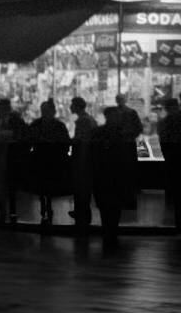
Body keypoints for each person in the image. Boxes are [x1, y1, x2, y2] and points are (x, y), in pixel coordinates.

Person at [94, 106, 138, 246]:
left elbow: (93, 155)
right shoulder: (123, 134)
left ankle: (108, 232)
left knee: (106, 206)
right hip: (116, 174)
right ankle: (112, 232)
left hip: (104, 174)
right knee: (114, 206)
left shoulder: (99, 132)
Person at [26, 100, 70, 227]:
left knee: (43, 186)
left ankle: (45, 208)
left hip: (42, 159)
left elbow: (29, 140)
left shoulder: (36, 124)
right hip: (51, 160)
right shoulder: (59, 126)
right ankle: (47, 207)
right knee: (47, 185)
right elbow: (65, 143)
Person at [0, 98, 28, 225]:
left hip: (10, 158)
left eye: (3, 109)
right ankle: (2, 212)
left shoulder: (16, 122)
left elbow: (22, 136)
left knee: (10, 186)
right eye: (0, 109)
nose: (1, 111)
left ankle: (11, 212)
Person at [69, 96, 98, 233]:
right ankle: (83, 214)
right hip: (88, 158)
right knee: (84, 189)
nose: (70, 107)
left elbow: (80, 140)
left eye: (72, 104)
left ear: (77, 106)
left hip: (82, 159)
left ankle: (82, 215)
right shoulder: (89, 119)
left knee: (81, 188)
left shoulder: (82, 121)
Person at [158, 96, 181, 232]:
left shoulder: (164, 122)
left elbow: (163, 140)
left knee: (174, 189)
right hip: (175, 156)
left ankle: (177, 224)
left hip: (171, 158)